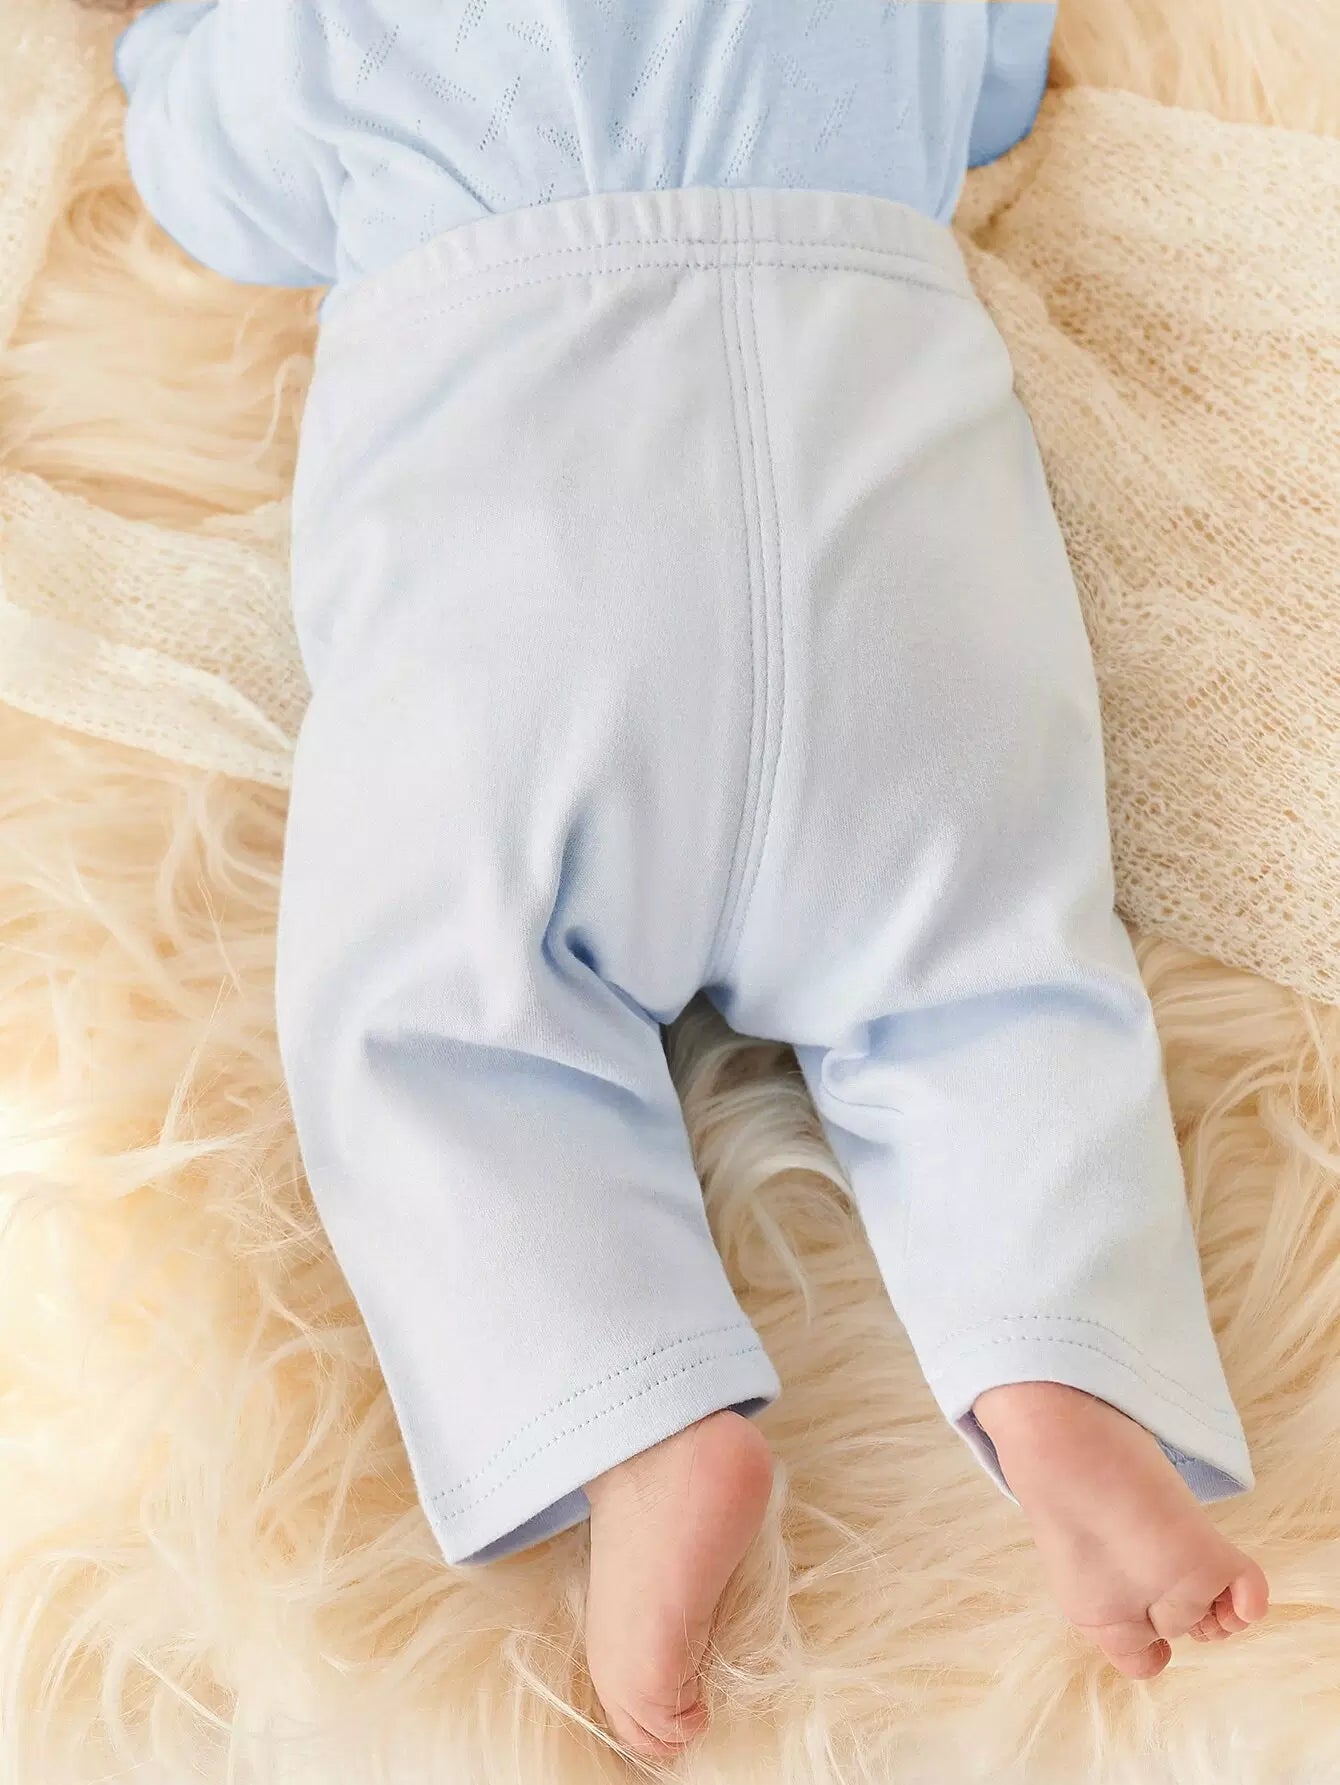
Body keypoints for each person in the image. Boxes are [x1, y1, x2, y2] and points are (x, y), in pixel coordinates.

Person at [108, 0, 1266, 1756]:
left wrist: (164, 46)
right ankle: (1060, 1367)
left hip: (537, 570)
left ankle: (633, 1422)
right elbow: (996, 83)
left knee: (432, 1021)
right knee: (993, 978)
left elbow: (196, 171)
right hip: (894, 531)